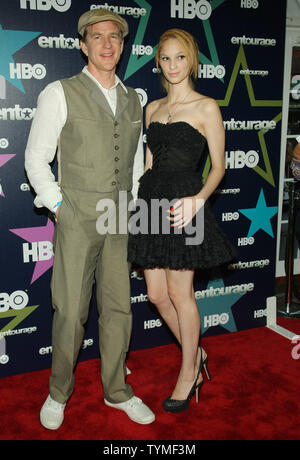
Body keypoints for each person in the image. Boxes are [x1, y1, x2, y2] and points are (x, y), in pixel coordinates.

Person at [25, 9, 155, 429]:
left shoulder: (135, 98)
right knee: (69, 310)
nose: (106, 44)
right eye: (97, 37)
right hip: (77, 214)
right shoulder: (59, 92)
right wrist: (58, 206)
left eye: (114, 37)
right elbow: (36, 158)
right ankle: (58, 391)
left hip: (119, 213)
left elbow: (135, 162)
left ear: (122, 44)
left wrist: (133, 204)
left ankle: (117, 391)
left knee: (119, 308)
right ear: (83, 45)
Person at [128, 29, 236, 413]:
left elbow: (219, 167)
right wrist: (139, 205)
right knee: (156, 294)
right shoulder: (152, 108)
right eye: (166, 58)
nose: (173, 65)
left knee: (180, 293)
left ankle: (188, 372)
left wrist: (197, 201)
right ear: (157, 61)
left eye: (180, 57)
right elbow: (151, 164)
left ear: (192, 61)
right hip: (152, 202)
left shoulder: (206, 107)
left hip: (185, 203)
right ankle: (199, 353)